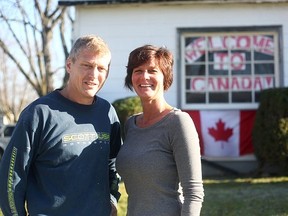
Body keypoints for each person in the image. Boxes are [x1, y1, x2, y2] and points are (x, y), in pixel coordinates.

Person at [0, 35, 122, 216]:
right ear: (69, 65)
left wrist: (112, 199)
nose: (94, 75)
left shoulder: (107, 113)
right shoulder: (39, 114)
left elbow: (113, 164)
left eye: (101, 68)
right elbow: (11, 178)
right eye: (87, 65)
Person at [116, 45, 204, 216]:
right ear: (131, 77)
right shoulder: (131, 125)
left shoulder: (178, 122)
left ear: (166, 77)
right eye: (138, 70)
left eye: (152, 70)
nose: (144, 76)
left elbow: (193, 193)